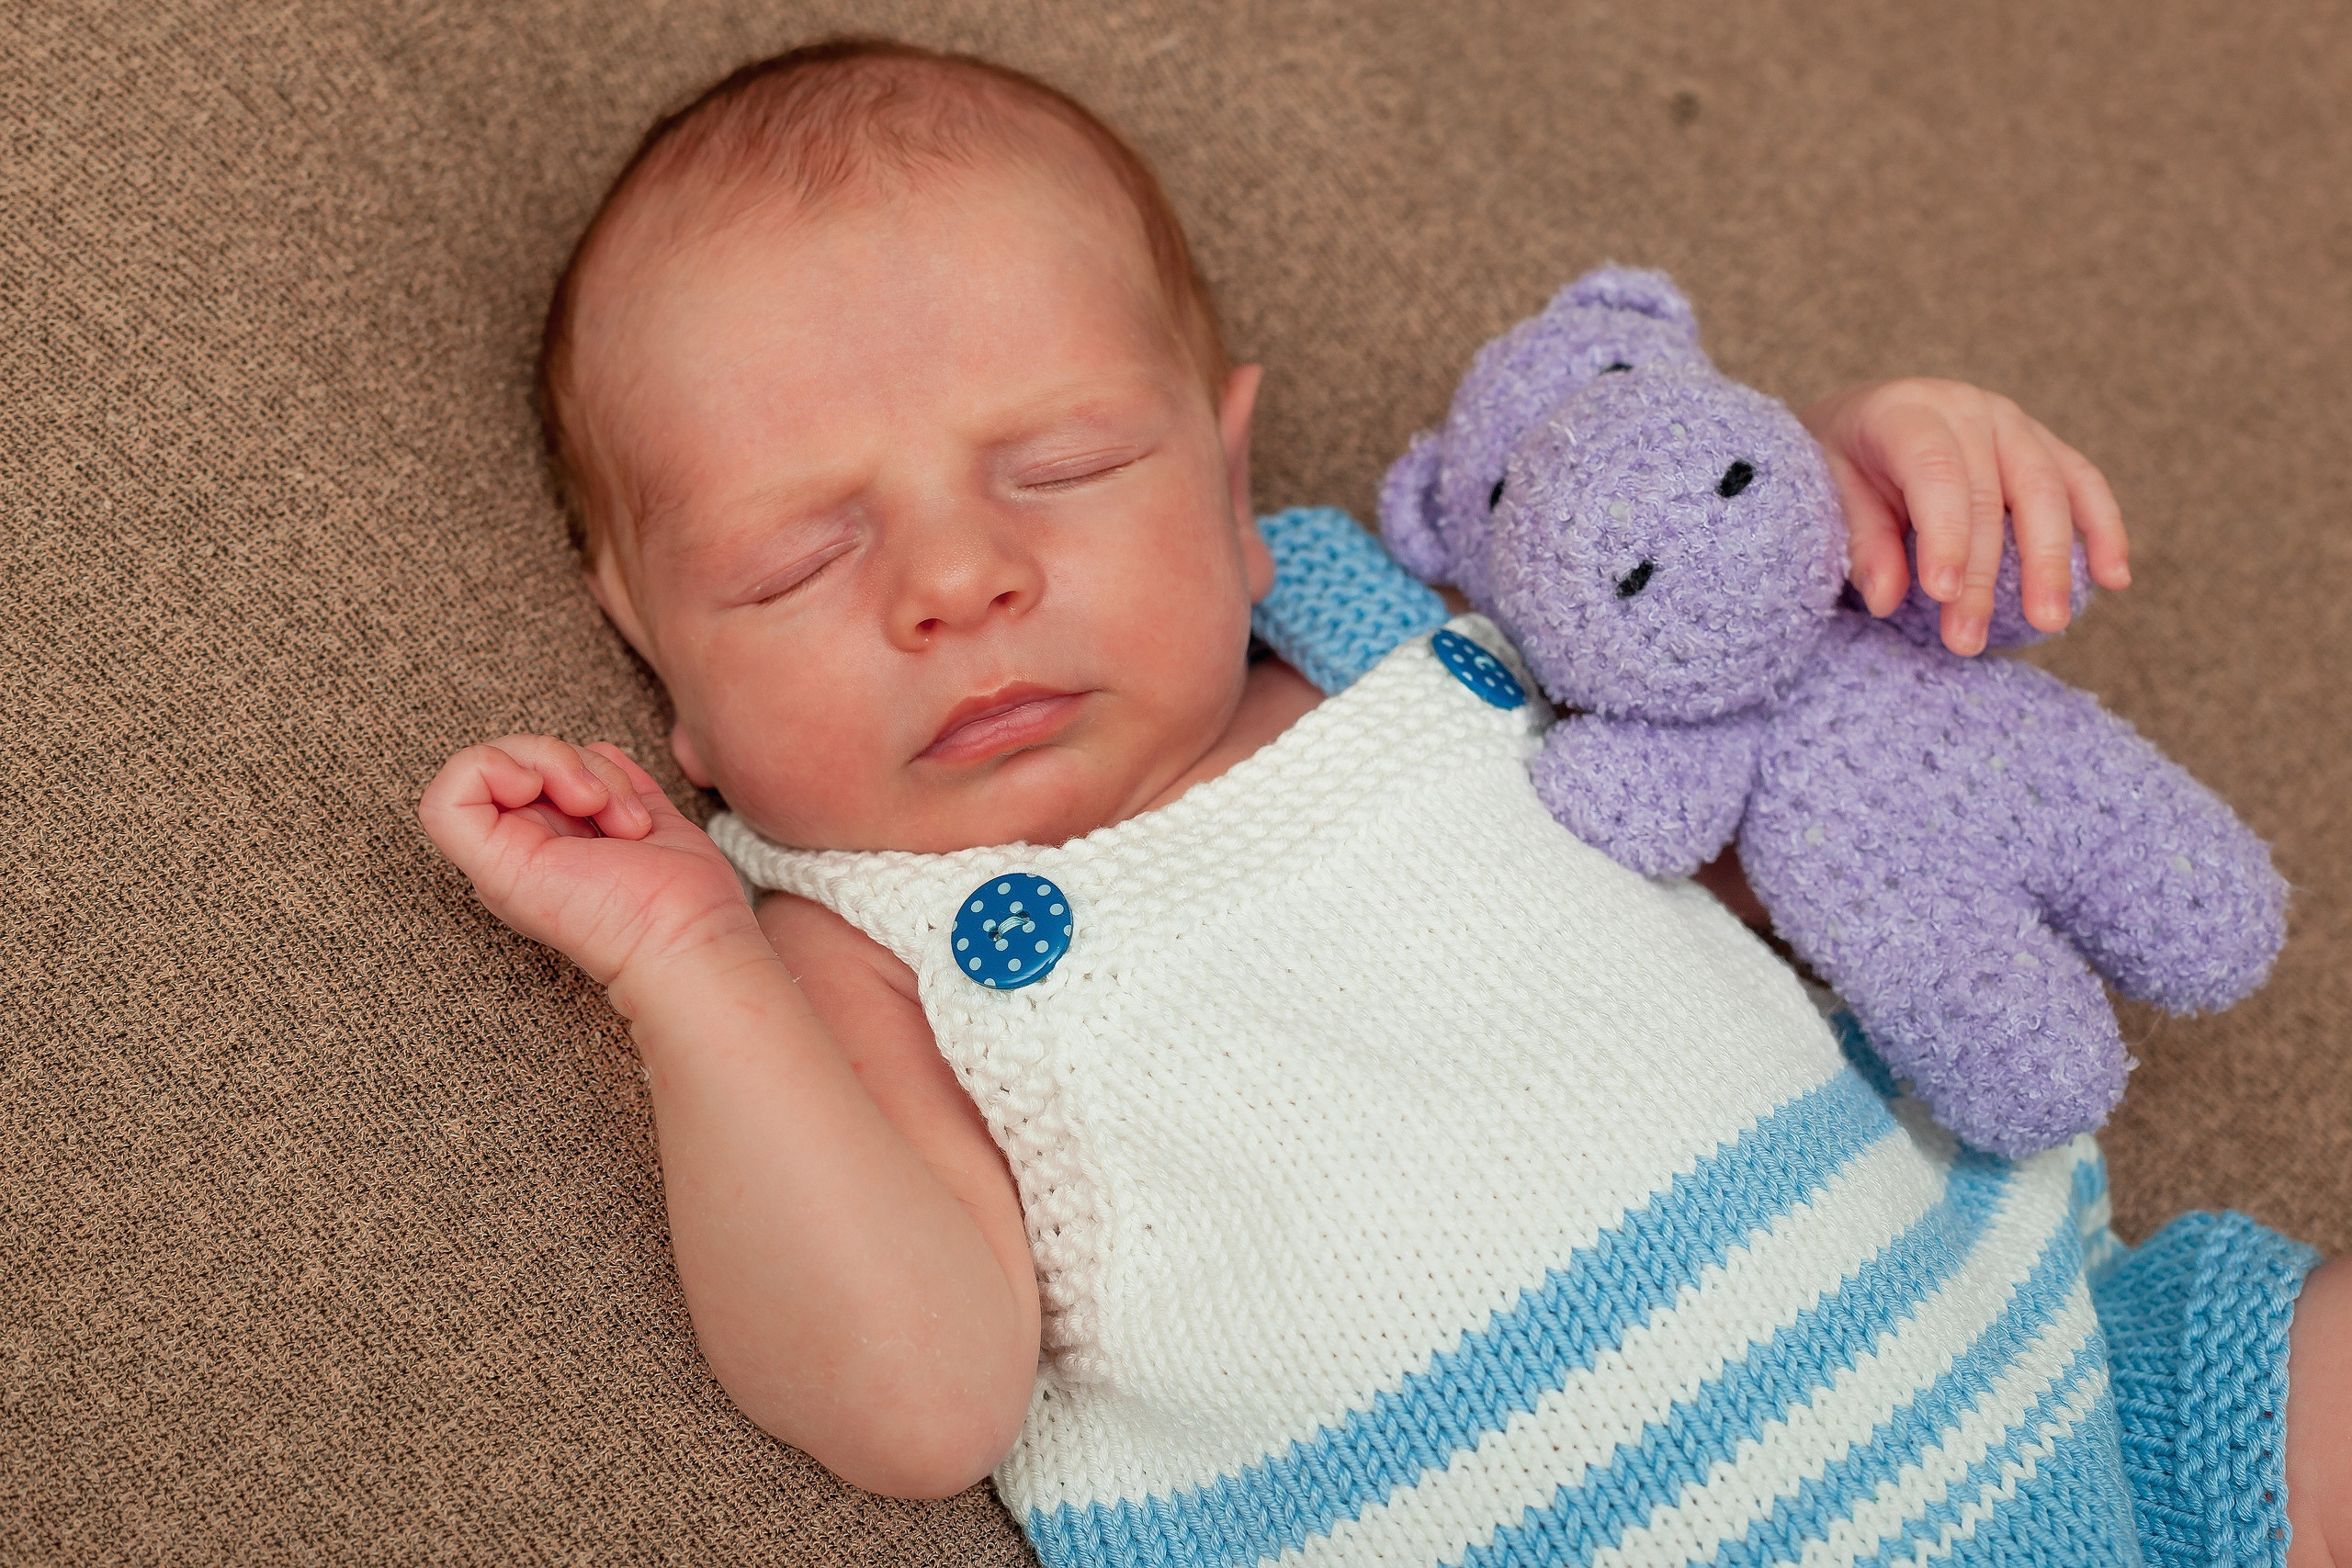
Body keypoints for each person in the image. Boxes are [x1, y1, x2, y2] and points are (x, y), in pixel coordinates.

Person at [418, 37, 2349, 1567]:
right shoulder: (856, 956)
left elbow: (1761, 734)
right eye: (793, 562)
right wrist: (685, 969)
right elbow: (910, 1398)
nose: (955, 579)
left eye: (1064, 465)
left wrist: (1844, 497)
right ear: (659, 663)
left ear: (1232, 489)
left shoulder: (1419, 644)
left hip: (2083, 1395)